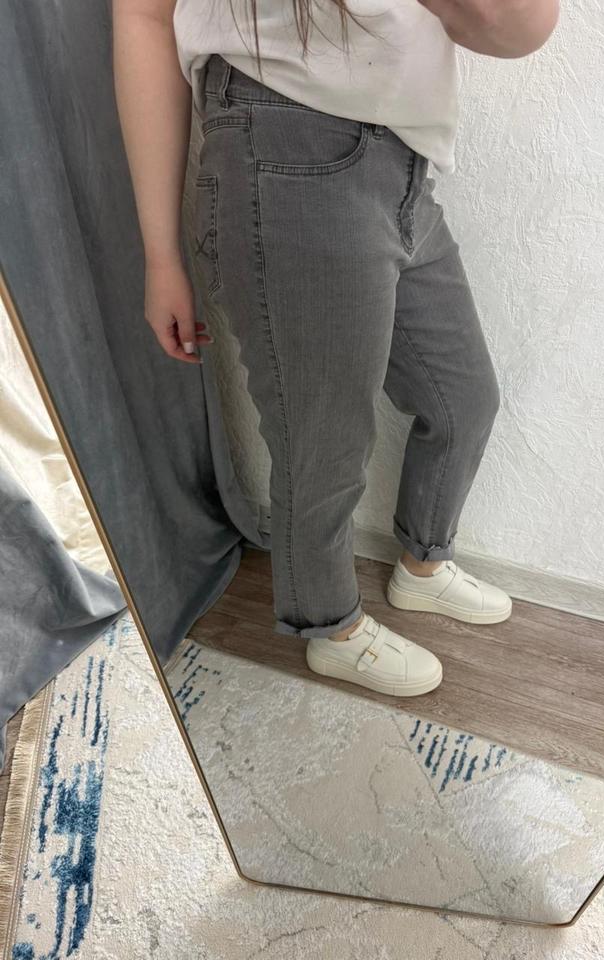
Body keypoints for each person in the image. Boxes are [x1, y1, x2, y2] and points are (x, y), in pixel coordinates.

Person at [112, 0, 559, 698]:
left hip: (404, 160)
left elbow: (515, 27)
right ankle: (329, 625)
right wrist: (160, 254)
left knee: (463, 398)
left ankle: (422, 564)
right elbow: (142, 15)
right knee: (321, 439)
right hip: (283, 143)